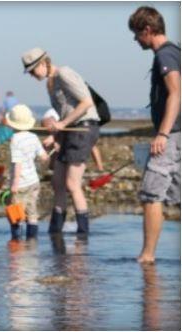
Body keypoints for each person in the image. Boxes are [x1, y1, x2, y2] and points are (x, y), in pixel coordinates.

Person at [22, 47, 100, 236]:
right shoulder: (51, 82)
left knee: (72, 184)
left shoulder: (64, 73)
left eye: (33, 71)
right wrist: (55, 132)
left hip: (82, 128)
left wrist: (63, 123)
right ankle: (55, 230)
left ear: (43, 63)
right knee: (57, 182)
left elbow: (86, 102)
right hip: (68, 132)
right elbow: (63, 112)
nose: (32, 76)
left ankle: (83, 233)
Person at [128, 6, 181, 264]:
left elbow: (176, 92)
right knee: (176, 194)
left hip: (172, 135)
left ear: (147, 30)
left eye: (137, 34)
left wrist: (162, 133)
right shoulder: (174, 52)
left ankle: (147, 256)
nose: (136, 40)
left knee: (151, 194)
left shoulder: (165, 56)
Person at [5, 104, 49, 240]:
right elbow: (44, 157)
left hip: (22, 183)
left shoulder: (15, 140)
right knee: (32, 211)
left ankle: (16, 240)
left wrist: (14, 184)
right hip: (34, 181)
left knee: (16, 213)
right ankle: (32, 240)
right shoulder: (34, 137)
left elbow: (17, 164)